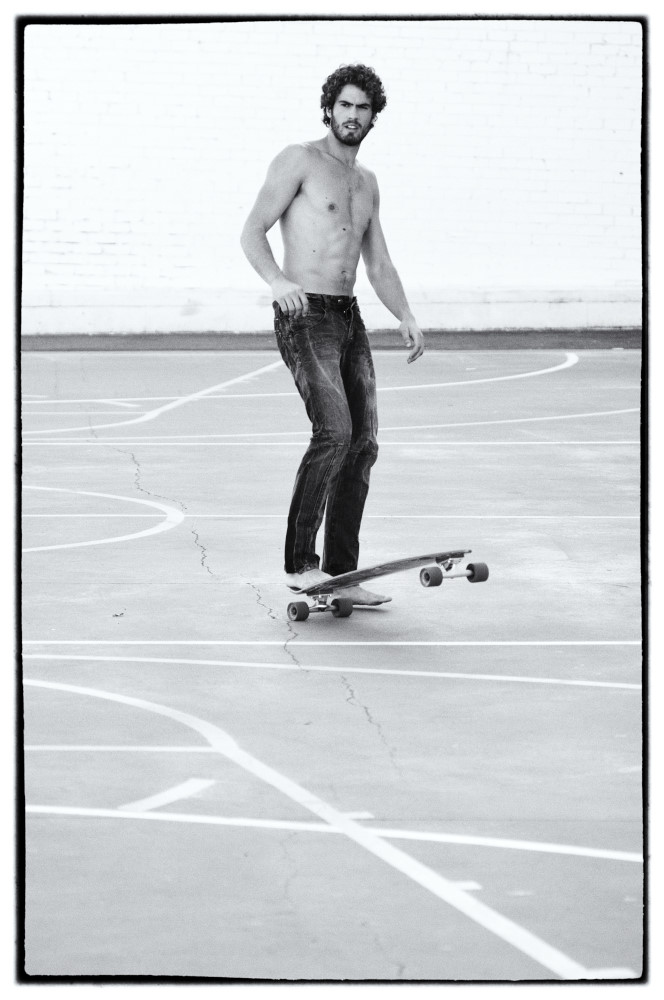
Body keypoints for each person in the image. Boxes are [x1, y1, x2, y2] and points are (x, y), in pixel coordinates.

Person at [240, 64, 424, 605]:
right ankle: (301, 564)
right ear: (329, 108)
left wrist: (406, 314)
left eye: (362, 108)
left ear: (373, 117)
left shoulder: (367, 183)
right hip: (305, 315)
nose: (352, 115)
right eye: (344, 105)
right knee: (334, 432)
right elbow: (251, 230)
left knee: (363, 444)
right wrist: (277, 282)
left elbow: (379, 262)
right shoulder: (299, 159)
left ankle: (343, 575)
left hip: (349, 317)